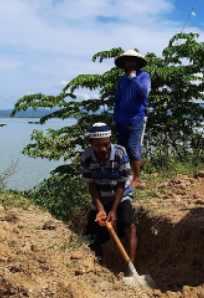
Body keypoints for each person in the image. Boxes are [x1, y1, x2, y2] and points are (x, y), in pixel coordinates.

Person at [81, 123, 137, 269]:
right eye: (99, 146)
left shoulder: (120, 153)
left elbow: (121, 183)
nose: (104, 149)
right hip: (100, 197)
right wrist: (100, 209)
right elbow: (91, 185)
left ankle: (131, 269)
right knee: (91, 238)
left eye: (106, 144)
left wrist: (113, 210)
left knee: (130, 226)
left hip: (121, 196)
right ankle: (101, 267)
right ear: (91, 143)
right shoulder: (86, 157)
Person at [113, 49, 151, 188]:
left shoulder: (144, 76)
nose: (131, 63)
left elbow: (144, 92)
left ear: (137, 63)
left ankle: (137, 177)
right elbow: (117, 101)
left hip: (136, 118)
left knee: (133, 146)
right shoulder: (122, 81)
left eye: (133, 61)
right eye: (128, 61)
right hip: (121, 120)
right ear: (124, 64)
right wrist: (114, 120)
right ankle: (125, 176)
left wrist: (134, 78)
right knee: (121, 148)